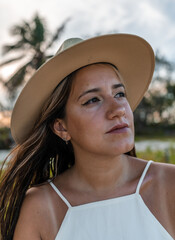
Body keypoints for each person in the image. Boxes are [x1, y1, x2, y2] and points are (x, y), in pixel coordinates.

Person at [0, 34, 175, 240]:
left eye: (119, 94)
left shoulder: (169, 184)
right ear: (61, 127)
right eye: (92, 100)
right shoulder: (41, 207)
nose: (118, 110)